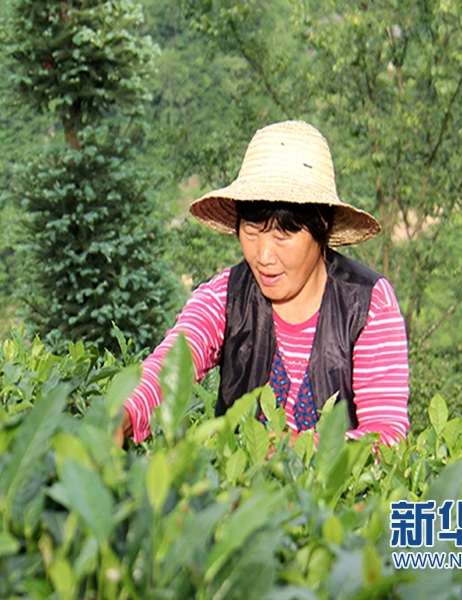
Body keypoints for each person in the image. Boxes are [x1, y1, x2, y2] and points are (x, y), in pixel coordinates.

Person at [116, 120, 409, 447]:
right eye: (252, 232)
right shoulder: (224, 298)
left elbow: (385, 435)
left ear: (322, 226)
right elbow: (169, 368)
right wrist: (120, 416)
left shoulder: (368, 304)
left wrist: (293, 449)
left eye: (284, 234)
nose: (264, 256)